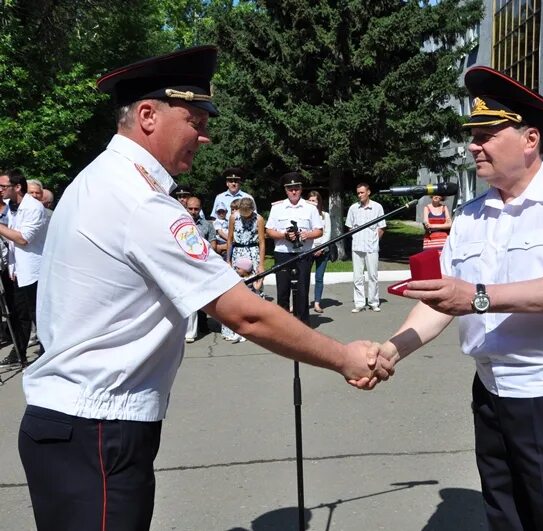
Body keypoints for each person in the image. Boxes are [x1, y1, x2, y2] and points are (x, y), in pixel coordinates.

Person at [17, 46, 393, 531]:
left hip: (77, 426)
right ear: (148, 115)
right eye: (194, 118)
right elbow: (246, 314)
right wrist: (343, 358)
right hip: (97, 431)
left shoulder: (98, 179)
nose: (205, 135)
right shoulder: (141, 202)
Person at [377, 66, 543, 531]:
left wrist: (480, 297)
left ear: (530, 139)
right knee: (507, 521)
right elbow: (441, 298)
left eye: (486, 133)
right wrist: (392, 350)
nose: (473, 145)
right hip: (491, 394)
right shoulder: (470, 215)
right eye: (472, 135)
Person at [0, 169, 48, 367]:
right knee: (19, 314)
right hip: (17, 270)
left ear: (17, 187)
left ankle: (47, 355)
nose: (0, 190)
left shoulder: (34, 208)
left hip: (34, 271)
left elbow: (23, 238)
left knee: (39, 315)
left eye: (3, 186)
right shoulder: (11, 206)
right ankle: (19, 354)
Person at [266, 172, 322, 323]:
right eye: (290, 189)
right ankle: (283, 324)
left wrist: (307, 235)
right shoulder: (277, 208)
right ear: (285, 190)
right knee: (283, 290)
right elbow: (269, 230)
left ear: (301, 189)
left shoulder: (310, 208)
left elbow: (319, 230)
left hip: (303, 252)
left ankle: (302, 323)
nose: (294, 191)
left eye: (296, 188)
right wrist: (284, 235)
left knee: (302, 290)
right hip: (283, 252)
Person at [345, 183, 385, 312]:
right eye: (358, 193)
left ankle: (373, 302)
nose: (360, 195)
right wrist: (356, 238)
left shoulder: (377, 207)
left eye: (362, 192)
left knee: (373, 275)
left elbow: (381, 227)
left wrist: (375, 241)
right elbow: (350, 227)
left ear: (368, 192)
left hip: (371, 247)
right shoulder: (353, 208)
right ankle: (359, 303)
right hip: (357, 247)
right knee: (358, 276)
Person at [185, 196, 216, 343]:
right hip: (184, 265)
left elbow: (213, 244)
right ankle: (189, 331)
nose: (193, 211)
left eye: (196, 209)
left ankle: (202, 326)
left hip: (202, 265)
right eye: (190, 208)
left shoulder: (207, 225)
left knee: (203, 298)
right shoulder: (180, 224)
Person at [227, 196, 265, 295]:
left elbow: (261, 242)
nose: (245, 217)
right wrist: (228, 260)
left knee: (256, 283)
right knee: (237, 284)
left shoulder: (259, 219)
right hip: (238, 252)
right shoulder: (234, 217)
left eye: (247, 215)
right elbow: (230, 239)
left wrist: (261, 264)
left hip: (253, 252)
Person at [307, 190, 331, 313]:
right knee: (303, 277)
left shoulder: (325, 215)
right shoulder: (305, 215)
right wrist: (312, 249)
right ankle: (300, 303)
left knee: (319, 277)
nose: (312, 203)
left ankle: (317, 303)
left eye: (314, 201)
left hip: (323, 250)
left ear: (318, 202)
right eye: (310, 200)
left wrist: (320, 248)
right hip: (309, 250)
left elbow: (327, 233)